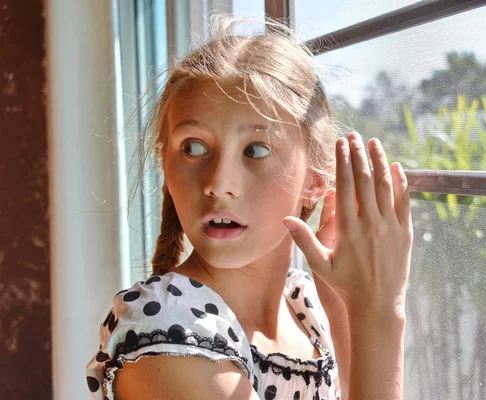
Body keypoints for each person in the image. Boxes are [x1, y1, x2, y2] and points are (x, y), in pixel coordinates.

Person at [85, 15, 412, 400]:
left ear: (316, 181)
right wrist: (380, 313)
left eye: (256, 150)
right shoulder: (165, 338)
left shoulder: (304, 305)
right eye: (193, 147)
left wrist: (342, 307)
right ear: (166, 168)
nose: (218, 183)